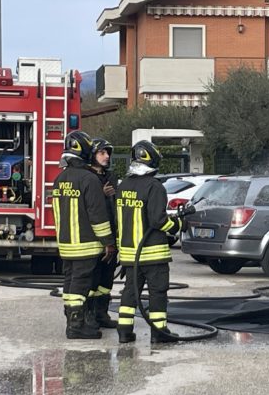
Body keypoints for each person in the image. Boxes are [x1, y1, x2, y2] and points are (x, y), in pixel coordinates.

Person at [115, 140, 182, 344]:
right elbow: (158, 220)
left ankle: (124, 331)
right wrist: (177, 225)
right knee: (157, 292)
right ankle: (159, 333)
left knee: (130, 292)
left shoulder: (123, 186)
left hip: (129, 254)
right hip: (153, 254)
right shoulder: (155, 187)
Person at [53, 130, 116, 340]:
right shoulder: (89, 179)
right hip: (86, 244)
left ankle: (73, 321)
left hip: (66, 244)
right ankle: (76, 326)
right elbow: (98, 217)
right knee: (81, 286)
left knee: (70, 284)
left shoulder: (60, 178)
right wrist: (108, 242)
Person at [85, 137, 119, 329]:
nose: (106, 156)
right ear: (92, 155)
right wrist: (100, 194)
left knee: (106, 279)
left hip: (111, 236)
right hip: (93, 238)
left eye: (108, 153)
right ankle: (88, 315)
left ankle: (101, 313)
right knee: (92, 279)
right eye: (102, 152)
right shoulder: (86, 177)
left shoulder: (111, 177)